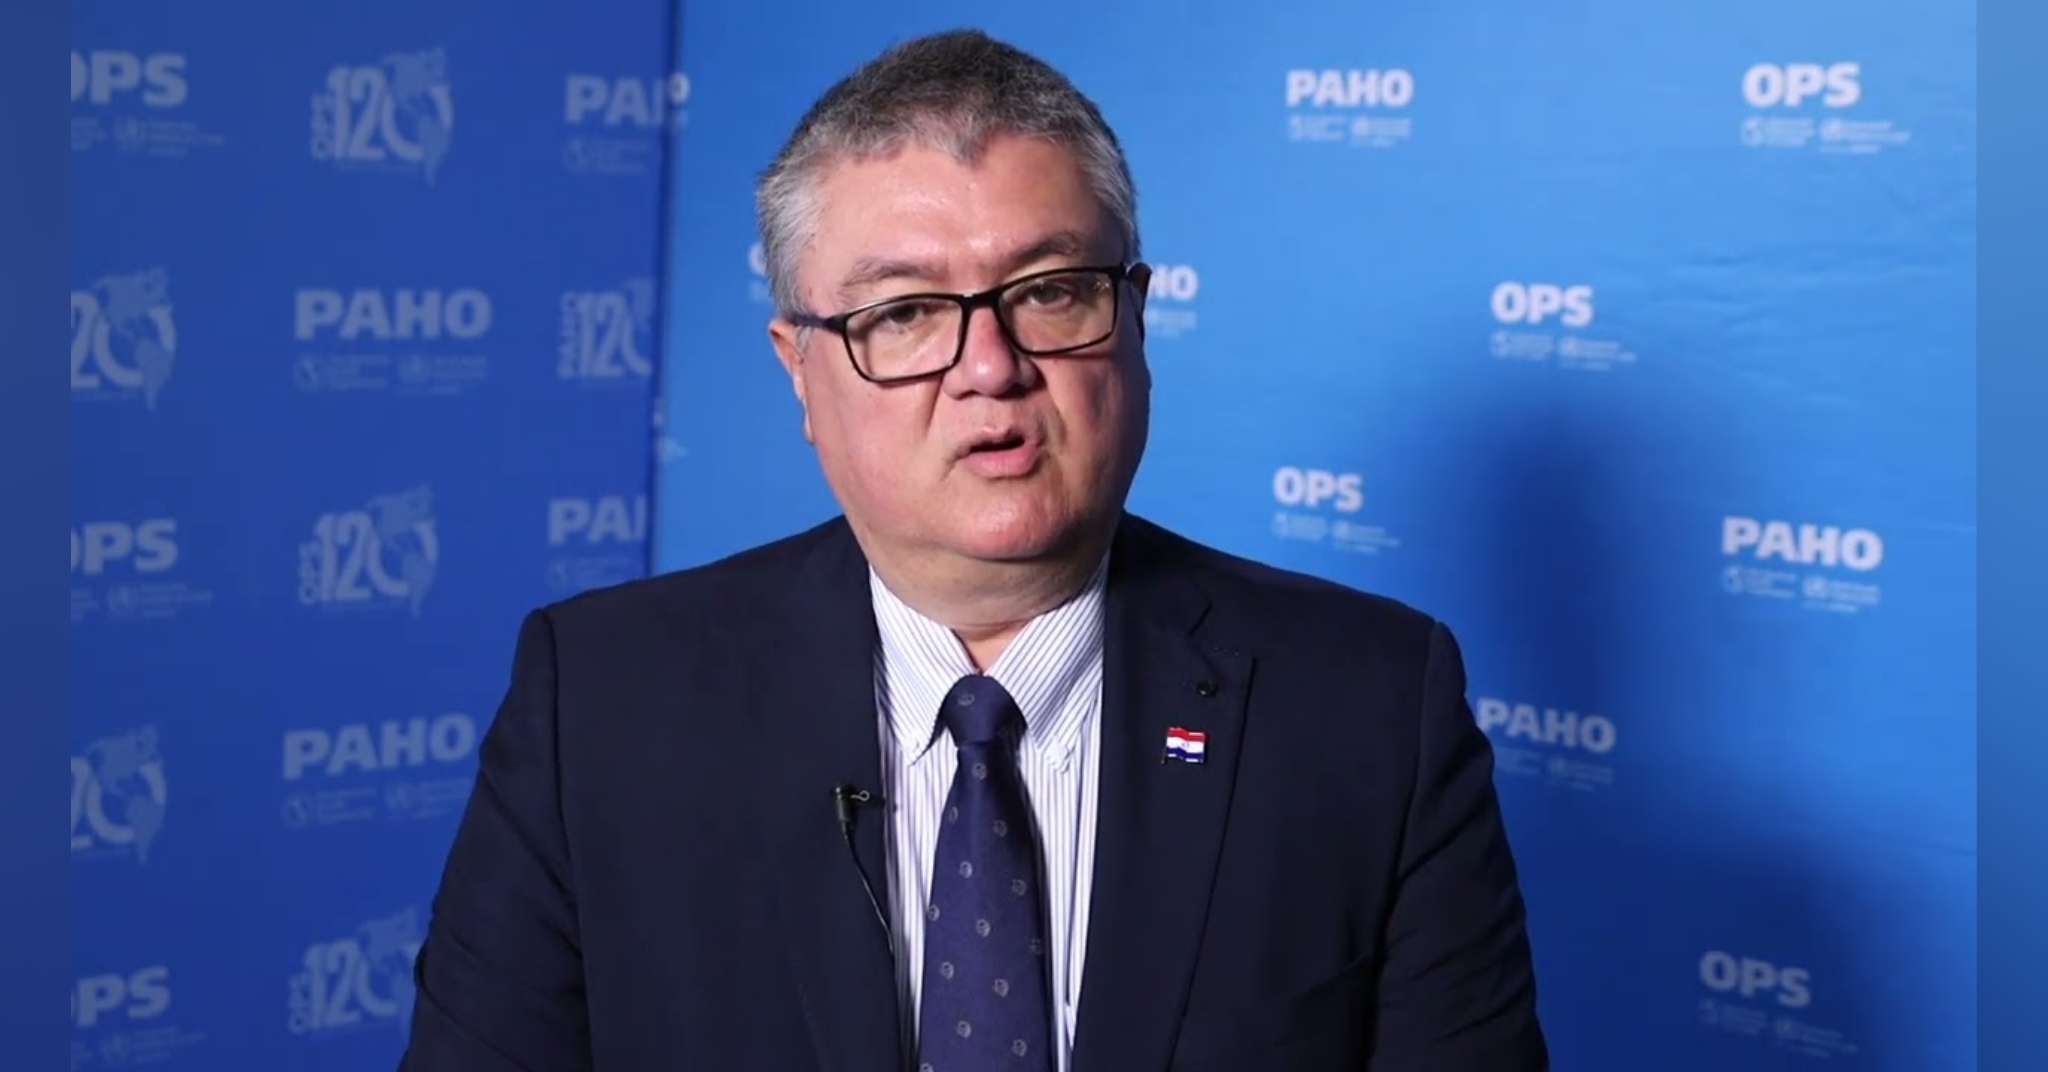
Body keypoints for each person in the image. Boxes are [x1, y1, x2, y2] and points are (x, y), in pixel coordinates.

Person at [400, 28, 1547, 1072]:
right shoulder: (598, 702)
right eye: (902, 312)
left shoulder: (1370, 706)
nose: (990, 368)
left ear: (1135, 321)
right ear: (799, 371)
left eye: (1049, 293)